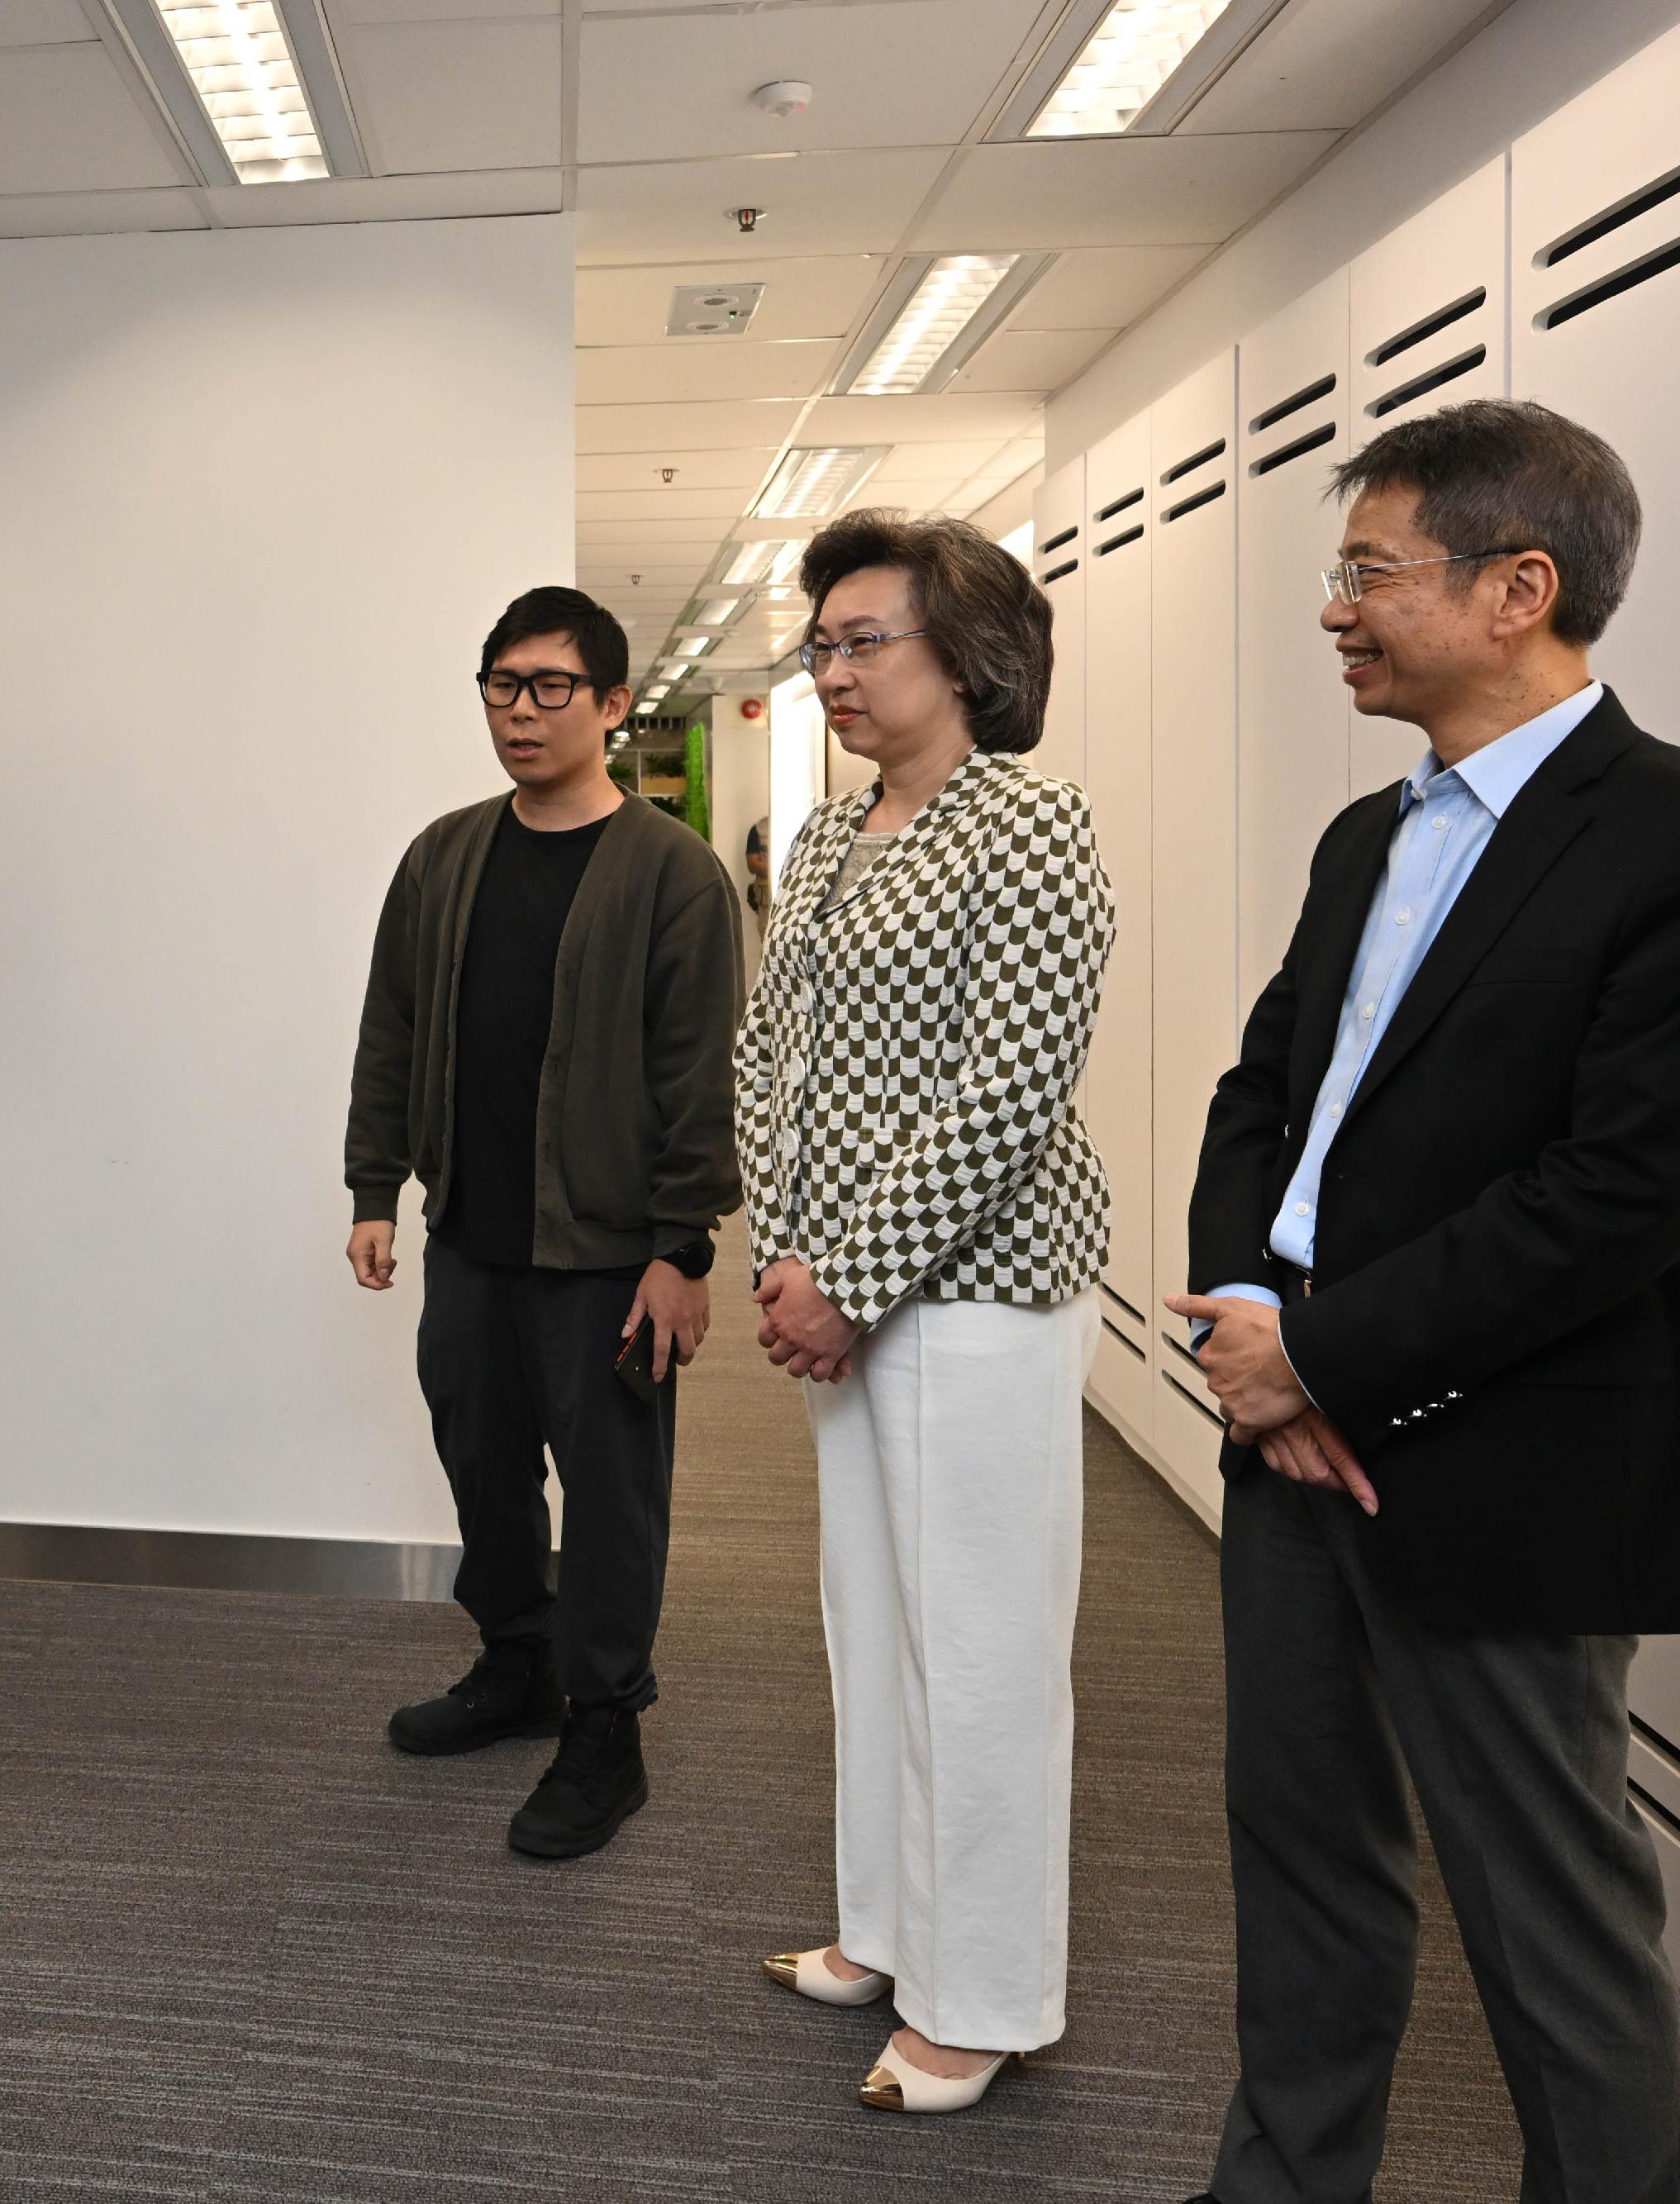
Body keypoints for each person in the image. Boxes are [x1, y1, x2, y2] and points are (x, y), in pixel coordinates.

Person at [1167, 398, 1680, 2204]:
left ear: (1512, 587)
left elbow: (1616, 1195)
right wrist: (1245, 1312)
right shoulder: (1358, 841)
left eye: (1364, 570)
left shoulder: (1659, 835)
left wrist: (1318, 1349)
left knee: (1552, 1927)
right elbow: (1260, 1099)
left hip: (1500, 1465)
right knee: (1301, 1861)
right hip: (1281, 1426)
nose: (1333, 609)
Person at [731, 510, 1112, 2116]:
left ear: (962, 653)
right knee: (870, 1623)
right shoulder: (824, 836)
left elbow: (1001, 1088)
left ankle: (984, 1995)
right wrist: (779, 1250)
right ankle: (886, 1928)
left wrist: (846, 1271)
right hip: (834, 1288)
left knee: (976, 1646)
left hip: (980, 1292)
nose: (830, 667)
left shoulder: (1027, 825)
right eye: (817, 642)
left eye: (860, 638)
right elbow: (768, 1051)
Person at [342, 585, 743, 1862]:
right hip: (471, 1234)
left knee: (615, 1496)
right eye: (502, 686)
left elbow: (700, 1074)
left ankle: (606, 1728)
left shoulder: (672, 874)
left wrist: (686, 1248)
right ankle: (517, 1665)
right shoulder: (446, 853)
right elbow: (392, 1031)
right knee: (483, 1466)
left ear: (615, 707)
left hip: (612, 1254)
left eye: (551, 687)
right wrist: (374, 1189)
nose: (521, 711)